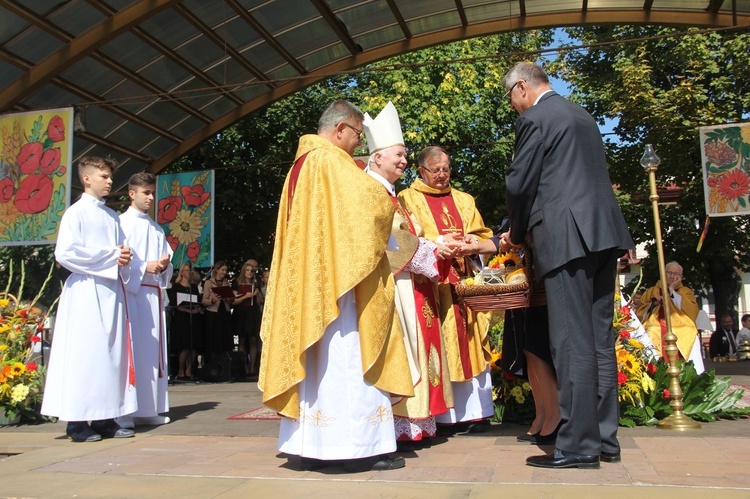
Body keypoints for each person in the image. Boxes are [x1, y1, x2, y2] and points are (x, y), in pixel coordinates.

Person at [258, 100, 414, 472]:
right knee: (345, 357)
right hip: (339, 285)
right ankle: (350, 448)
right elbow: (371, 203)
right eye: (358, 135)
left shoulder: (304, 163)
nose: (359, 145)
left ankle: (311, 445)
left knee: (318, 364)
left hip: (316, 279)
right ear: (341, 128)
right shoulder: (329, 161)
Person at [503, 62, 634, 469]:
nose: (514, 109)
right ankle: (605, 440)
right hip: (604, 234)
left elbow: (519, 183)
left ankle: (578, 446)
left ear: (522, 87)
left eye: (511, 99)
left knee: (570, 341)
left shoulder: (537, 118)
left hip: (565, 238)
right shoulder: (583, 115)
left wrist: (517, 232)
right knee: (598, 340)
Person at [363, 102, 454, 449]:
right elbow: (388, 241)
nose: (403, 161)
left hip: (409, 281)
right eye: (398, 155)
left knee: (417, 349)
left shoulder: (390, 193)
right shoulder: (372, 191)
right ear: (377, 158)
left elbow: (404, 235)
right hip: (391, 285)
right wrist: (432, 251)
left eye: (404, 156)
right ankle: (401, 426)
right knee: (403, 351)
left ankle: (416, 424)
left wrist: (434, 245)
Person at [398, 146, 495, 434]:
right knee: (440, 343)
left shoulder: (464, 200)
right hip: (433, 287)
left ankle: (477, 413)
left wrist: (470, 241)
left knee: (472, 343)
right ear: (421, 172)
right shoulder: (408, 198)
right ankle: (446, 417)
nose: (442, 175)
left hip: (465, 282)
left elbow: (482, 234)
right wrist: (440, 240)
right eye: (435, 170)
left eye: (446, 169)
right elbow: (406, 237)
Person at [41, 156, 137, 442]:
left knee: (110, 356)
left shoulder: (111, 216)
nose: (109, 181)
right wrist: (111, 256)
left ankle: (106, 416)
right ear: (87, 179)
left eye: (110, 176)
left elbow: (120, 250)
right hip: (86, 291)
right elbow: (66, 253)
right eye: (104, 176)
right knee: (86, 355)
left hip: (111, 292)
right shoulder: (76, 213)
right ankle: (78, 422)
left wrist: (125, 257)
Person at [459, 220, 560, 443]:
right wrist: (474, 246)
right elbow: (499, 240)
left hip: (541, 283)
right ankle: (542, 414)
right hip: (523, 285)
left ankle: (556, 415)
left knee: (538, 350)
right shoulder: (517, 204)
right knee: (528, 352)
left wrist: (515, 237)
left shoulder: (538, 196)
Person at [117, 172, 173, 428]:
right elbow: (118, 259)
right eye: (145, 193)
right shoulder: (120, 224)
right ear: (132, 194)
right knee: (132, 351)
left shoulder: (156, 227)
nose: (151, 198)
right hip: (132, 295)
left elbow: (166, 261)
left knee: (151, 355)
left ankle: (149, 409)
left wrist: (163, 266)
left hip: (153, 296)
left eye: (152, 193)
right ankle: (124, 413)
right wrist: (144, 267)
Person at [637, 261, 704, 372]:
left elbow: (691, 311)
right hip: (655, 324)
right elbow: (639, 313)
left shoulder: (686, 292)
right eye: (669, 273)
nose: (672, 276)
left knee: (689, 332)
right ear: (663, 273)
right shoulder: (652, 291)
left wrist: (672, 290)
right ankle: (654, 370)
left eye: (676, 274)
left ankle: (687, 372)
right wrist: (653, 304)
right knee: (651, 331)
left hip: (680, 326)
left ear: (681, 277)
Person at [167, 263, 204, 379]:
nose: (189, 272)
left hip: (193, 318)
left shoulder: (193, 287)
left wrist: (196, 309)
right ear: (182, 272)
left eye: (190, 270)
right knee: (184, 346)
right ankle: (181, 369)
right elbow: (174, 303)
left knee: (193, 346)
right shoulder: (176, 287)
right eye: (187, 270)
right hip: (181, 319)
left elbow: (198, 300)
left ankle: (189, 370)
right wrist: (186, 310)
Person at [232, 259, 263, 376]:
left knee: (253, 340)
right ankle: (243, 366)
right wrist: (246, 296)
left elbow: (259, 301)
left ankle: (252, 367)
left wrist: (257, 293)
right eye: (248, 270)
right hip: (241, 313)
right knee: (242, 340)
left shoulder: (256, 283)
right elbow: (234, 300)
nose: (250, 272)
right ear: (244, 271)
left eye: (252, 271)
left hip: (253, 313)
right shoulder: (236, 282)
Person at [202, 260, 233, 361]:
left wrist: (228, 296)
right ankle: (211, 362)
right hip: (213, 313)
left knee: (224, 337)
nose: (224, 272)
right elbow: (204, 300)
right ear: (217, 270)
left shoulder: (226, 283)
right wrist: (212, 300)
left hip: (224, 311)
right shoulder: (208, 282)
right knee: (213, 338)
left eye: (225, 270)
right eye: (222, 270)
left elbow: (232, 299)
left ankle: (224, 361)